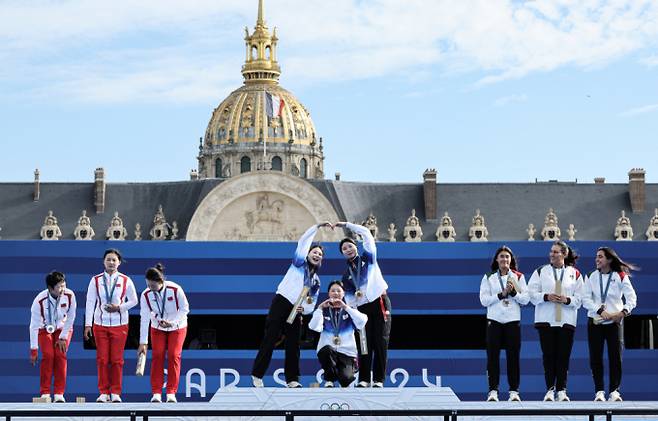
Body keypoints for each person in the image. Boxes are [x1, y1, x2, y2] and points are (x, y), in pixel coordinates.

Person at [251, 222, 331, 388]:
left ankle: (292, 380)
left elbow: (312, 302)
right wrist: (317, 227)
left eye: (320, 255)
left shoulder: (316, 281)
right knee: (270, 339)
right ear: (307, 254)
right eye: (314, 252)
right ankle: (257, 375)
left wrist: (306, 309)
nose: (317, 255)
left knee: (293, 344)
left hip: (296, 310)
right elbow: (303, 241)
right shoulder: (298, 263)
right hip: (281, 302)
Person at [335, 221, 391, 388]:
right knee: (364, 343)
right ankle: (364, 379)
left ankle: (379, 380)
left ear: (356, 247)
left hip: (379, 302)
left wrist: (346, 225)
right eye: (344, 249)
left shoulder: (369, 257)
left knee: (380, 342)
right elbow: (351, 301)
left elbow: (366, 233)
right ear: (343, 254)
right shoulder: (346, 276)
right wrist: (355, 316)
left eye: (350, 246)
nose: (348, 250)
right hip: (362, 310)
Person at [528, 240, 584, 402]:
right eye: (551, 251)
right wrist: (546, 296)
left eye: (556, 252)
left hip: (566, 321)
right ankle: (550, 390)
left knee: (563, 357)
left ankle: (562, 390)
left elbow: (581, 298)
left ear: (564, 254)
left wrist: (567, 300)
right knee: (548, 356)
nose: (552, 254)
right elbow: (531, 293)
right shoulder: (541, 271)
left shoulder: (575, 274)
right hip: (546, 320)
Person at [582, 247, 637, 402]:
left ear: (609, 259)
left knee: (615, 357)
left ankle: (614, 391)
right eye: (596, 257)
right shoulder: (591, 276)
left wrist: (622, 313)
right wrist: (600, 310)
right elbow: (585, 299)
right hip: (595, 323)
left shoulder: (620, 275)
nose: (597, 259)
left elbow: (632, 298)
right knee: (596, 358)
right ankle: (599, 391)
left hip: (614, 323)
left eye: (600, 257)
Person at [84, 248, 138, 403]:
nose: (111, 262)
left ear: (119, 262)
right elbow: (90, 302)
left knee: (116, 359)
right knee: (102, 359)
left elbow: (134, 301)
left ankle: (115, 392)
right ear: (103, 261)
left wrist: (119, 308)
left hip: (120, 325)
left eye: (114, 260)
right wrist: (88, 325)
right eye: (108, 259)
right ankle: (103, 392)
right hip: (99, 324)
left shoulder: (126, 280)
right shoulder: (95, 280)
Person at [479, 246, 529, 402]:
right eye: (501, 257)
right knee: (492, 357)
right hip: (494, 321)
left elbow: (525, 300)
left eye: (507, 257)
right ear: (496, 260)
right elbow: (484, 300)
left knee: (513, 357)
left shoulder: (518, 277)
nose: (504, 259)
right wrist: (501, 294)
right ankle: (493, 391)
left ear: (511, 260)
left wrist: (513, 293)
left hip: (512, 321)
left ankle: (514, 391)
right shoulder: (489, 277)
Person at [138, 264, 190, 403]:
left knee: (174, 355)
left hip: (177, 327)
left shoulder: (175, 289)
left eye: (153, 286)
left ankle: (171, 393)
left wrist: (172, 322)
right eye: (148, 285)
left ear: (161, 282)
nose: (150, 288)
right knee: (157, 356)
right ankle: (156, 392)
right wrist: (143, 342)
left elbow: (185, 309)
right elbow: (144, 317)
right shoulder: (145, 295)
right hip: (157, 328)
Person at [309, 280, 368, 387]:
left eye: (338, 291)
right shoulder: (324, 311)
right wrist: (320, 308)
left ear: (343, 293)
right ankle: (329, 380)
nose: (335, 293)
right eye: (333, 291)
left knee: (345, 380)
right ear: (328, 294)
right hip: (330, 352)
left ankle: (348, 369)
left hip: (347, 353)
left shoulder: (350, 309)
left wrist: (346, 307)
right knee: (325, 350)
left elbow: (363, 321)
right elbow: (313, 327)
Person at [29, 271, 76, 403]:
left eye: (64, 285)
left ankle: (59, 393)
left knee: (60, 355)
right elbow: (33, 326)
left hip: (63, 328)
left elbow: (71, 317)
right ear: (50, 288)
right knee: (48, 356)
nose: (63, 289)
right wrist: (34, 349)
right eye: (59, 287)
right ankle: (45, 392)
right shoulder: (39, 300)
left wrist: (63, 336)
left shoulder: (70, 295)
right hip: (45, 329)